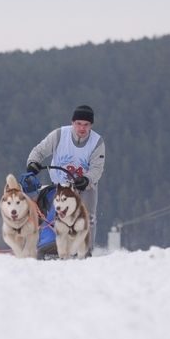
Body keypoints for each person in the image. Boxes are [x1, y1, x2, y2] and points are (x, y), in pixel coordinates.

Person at [26, 105, 105, 253]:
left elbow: (97, 169)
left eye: (86, 124)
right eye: (79, 124)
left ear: (91, 125)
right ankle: (51, 245)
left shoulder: (97, 142)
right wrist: (33, 163)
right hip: (61, 185)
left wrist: (87, 179)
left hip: (85, 186)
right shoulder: (59, 135)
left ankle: (86, 250)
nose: (82, 128)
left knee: (88, 216)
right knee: (56, 214)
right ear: (72, 123)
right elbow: (39, 151)